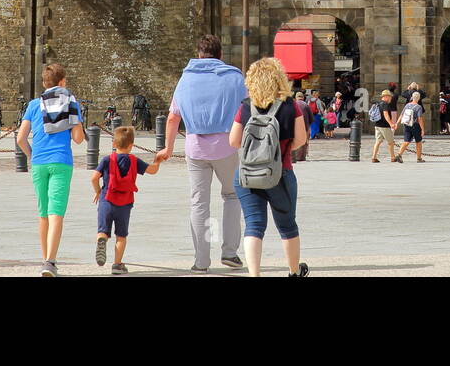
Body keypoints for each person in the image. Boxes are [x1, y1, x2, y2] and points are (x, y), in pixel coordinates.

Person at [155, 33, 248, 274]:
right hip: (227, 145)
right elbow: (248, 109)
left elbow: (174, 117)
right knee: (231, 195)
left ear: (198, 55)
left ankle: (201, 261)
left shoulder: (185, 79)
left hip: (195, 147)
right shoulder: (234, 77)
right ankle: (229, 253)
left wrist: (168, 147)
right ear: (221, 55)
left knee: (199, 203)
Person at [229, 57, 309, 277]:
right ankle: (293, 272)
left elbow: (233, 141)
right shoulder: (290, 106)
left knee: (253, 225)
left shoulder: (245, 107)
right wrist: (280, 150)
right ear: (279, 79)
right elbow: (301, 139)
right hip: (280, 173)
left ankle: (255, 274)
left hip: (247, 174)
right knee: (287, 226)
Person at [16, 62, 86, 276]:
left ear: (44, 83)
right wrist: (78, 123)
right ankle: (50, 262)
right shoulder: (70, 104)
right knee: (57, 212)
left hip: (39, 163)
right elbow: (78, 139)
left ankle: (45, 260)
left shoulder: (34, 105)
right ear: (62, 82)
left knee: (43, 213)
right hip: (61, 161)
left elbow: (20, 138)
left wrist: (32, 155)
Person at [91, 125, 158, 274]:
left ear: (114, 144)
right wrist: (158, 160)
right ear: (131, 145)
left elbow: (94, 177)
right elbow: (153, 170)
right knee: (121, 236)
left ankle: (102, 240)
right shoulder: (135, 161)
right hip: (125, 204)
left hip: (106, 200)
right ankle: (117, 265)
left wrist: (98, 191)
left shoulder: (107, 159)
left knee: (103, 231)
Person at [395, 90, 425, 163]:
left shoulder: (407, 105)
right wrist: (422, 129)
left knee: (406, 141)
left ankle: (399, 154)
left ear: (412, 97)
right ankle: (419, 158)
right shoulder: (418, 107)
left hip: (407, 125)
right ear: (419, 98)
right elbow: (419, 119)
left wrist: (397, 123)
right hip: (415, 126)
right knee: (418, 142)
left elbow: (401, 115)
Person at [370, 88, 399, 163]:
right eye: (389, 96)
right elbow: (386, 115)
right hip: (384, 126)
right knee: (391, 142)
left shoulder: (379, 103)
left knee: (378, 142)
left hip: (377, 125)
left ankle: (374, 157)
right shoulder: (385, 104)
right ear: (386, 96)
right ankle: (392, 157)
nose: (391, 98)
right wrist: (391, 124)